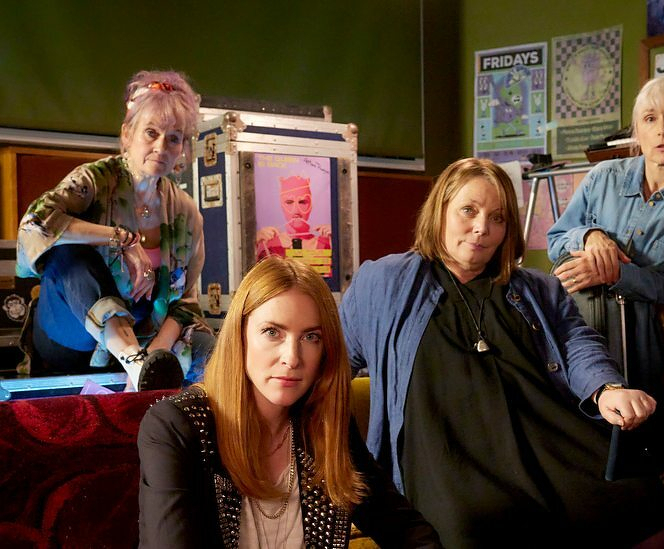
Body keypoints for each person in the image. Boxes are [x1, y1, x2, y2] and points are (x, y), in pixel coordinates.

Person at [340, 157, 664, 548]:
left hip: (543, 444)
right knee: (478, 529)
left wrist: (608, 389)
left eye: (497, 217)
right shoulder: (383, 283)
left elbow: (577, 344)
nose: (482, 228)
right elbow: (332, 364)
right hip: (446, 462)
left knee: (647, 505)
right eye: (468, 210)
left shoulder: (538, 289)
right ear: (440, 211)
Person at [137, 256, 441, 548]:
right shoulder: (176, 427)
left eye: (311, 337)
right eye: (272, 332)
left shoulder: (324, 421)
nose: (293, 358)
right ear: (239, 336)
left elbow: (406, 530)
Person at [16, 70, 212, 390]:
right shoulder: (95, 180)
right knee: (67, 252)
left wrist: (157, 352)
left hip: (145, 335)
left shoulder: (186, 211)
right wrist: (120, 238)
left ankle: (142, 368)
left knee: (210, 349)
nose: (162, 146)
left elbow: (186, 302)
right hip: (70, 339)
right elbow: (35, 225)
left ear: (181, 150)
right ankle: (132, 360)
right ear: (127, 135)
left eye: (174, 138)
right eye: (151, 133)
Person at [547, 75, 664, 397]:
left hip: (642, 341)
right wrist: (590, 236)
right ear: (638, 132)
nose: (663, 129)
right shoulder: (602, 177)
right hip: (574, 324)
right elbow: (557, 240)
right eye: (650, 119)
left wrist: (618, 273)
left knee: (628, 423)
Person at [256, 174, 332, 261]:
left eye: (302, 202)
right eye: (289, 202)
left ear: (311, 205)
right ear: (281, 205)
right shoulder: (268, 245)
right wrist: (254, 243)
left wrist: (337, 240)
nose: (296, 211)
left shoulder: (326, 244)